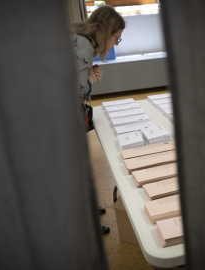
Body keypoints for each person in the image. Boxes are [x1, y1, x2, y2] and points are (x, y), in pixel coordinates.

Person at [70, 5, 125, 235]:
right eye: (117, 38)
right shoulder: (82, 44)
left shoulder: (80, 41)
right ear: (106, 31)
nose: (115, 43)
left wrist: (88, 73)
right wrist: (90, 79)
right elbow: (79, 86)